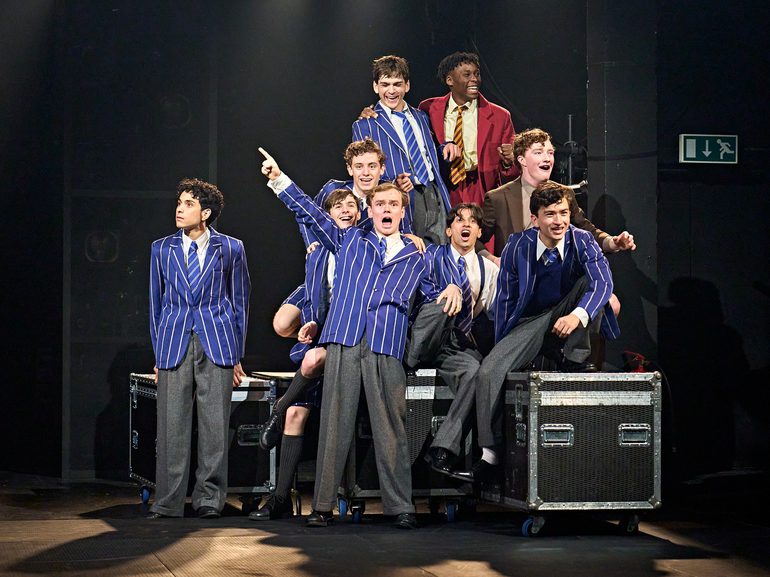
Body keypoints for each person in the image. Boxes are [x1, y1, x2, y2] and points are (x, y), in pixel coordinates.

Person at [258, 146, 462, 530]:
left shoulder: (418, 256)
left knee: (392, 429)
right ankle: (322, 506)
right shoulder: (350, 241)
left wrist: (453, 288)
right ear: (370, 209)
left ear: (403, 212)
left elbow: (434, 293)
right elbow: (310, 212)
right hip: (346, 340)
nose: (386, 209)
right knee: (335, 423)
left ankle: (400, 507)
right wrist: (278, 180)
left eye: (393, 204)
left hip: (386, 347)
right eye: (380, 203)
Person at [458, 181, 619, 481]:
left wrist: (578, 315)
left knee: (590, 286)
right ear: (535, 219)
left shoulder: (582, 240)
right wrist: (503, 347)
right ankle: (490, 456)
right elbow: (505, 300)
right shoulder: (517, 246)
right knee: (488, 372)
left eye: (563, 213)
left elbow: (603, 284)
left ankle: (574, 357)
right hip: (529, 322)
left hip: (568, 314)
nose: (558, 221)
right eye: (550, 214)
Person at [249, 189, 361, 521]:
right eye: (336, 206)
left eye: (350, 205)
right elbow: (314, 298)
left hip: (346, 342)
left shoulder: (360, 246)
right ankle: (280, 499)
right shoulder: (315, 254)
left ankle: (277, 410)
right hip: (318, 338)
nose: (343, 210)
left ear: (359, 214)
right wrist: (309, 324)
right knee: (298, 415)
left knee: (313, 364)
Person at [148, 178, 251, 519]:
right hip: (174, 342)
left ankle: (209, 499)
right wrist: (159, 354)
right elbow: (156, 305)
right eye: (179, 202)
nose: (180, 208)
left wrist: (236, 354)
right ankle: (168, 501)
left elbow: (240, 303)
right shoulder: (162, 248)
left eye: (189, 203)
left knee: (214, 427)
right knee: (172, 425)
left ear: (205, 212)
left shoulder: (231, 248)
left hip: (217, 342)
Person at [405, 203, 499, 479]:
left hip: (455, 345)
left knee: (475, 373)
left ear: (479, 231)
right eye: (459, 221)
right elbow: (416, 290)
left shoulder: (487, 269)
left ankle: (442, 449)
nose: (465, 225)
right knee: (444, 300)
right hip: (425, 338)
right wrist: (443, 290)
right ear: (449, 230)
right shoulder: (429, 256)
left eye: (472, 222)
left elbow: (495, 313)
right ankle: (408, 362)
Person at [479, 128, 636, 261]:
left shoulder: (564, 193)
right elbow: (475, 239)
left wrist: (613, 242)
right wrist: (493, 261)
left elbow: (588, 232)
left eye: (550, 153)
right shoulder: (498, 198)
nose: (547, 158)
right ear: (522, 160)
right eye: (538, 153)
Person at [352, 55, 451, 245]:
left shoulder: (421, 117)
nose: (391, 90)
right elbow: (364, 173)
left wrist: (444, 149)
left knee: (439, 253)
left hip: (433, 192)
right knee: (410, 255)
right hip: (401, 197)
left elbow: (425, 154)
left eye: (397, 84)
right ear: (375, 87)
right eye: (385, 84)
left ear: (407, 85)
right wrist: (392, 185)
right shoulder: (366, 125)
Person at [418, 52, 517, 208]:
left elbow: (512, 170)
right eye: (467, 74)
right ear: (449, 80)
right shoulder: (428, 109)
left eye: (477, 74)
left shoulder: (500, 116)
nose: (474, 79)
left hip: (482, 189)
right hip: (444, 187)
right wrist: (370, 113)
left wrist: (508, 162)